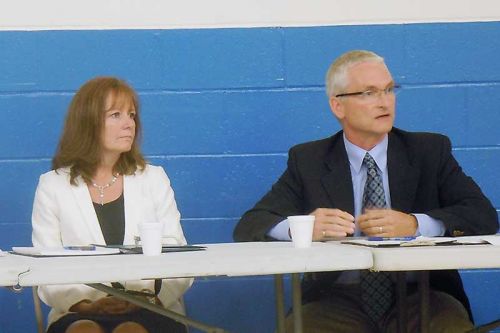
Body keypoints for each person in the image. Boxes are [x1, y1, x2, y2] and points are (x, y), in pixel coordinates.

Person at [233, 50, 498, 332]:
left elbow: (482, 215)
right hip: (335, 298)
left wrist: (415, 223)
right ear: (338, 106)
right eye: (369, 93)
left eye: (389, 90)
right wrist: (303, 228)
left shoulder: (429, 151)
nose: (384, 102)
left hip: (421, 295)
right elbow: (251, 224)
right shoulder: (309, 160)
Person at [32, 77, 193, 333]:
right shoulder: (52, 185)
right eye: (116, 115)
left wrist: (149, 299)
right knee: (84, 330)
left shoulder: (154, 178)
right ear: (88, 122)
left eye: (131, 115)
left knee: (130, 330)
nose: (129, 124)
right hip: (78, 310)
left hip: (151, 308)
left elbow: (177, 254)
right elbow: (44, 266)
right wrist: (84, 305)